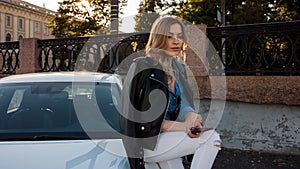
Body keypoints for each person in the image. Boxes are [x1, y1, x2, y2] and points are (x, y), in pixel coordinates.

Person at [120, 15, 221, 169]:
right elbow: (139, 118)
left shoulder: (178, 67)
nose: (176, 41)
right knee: (210, 138)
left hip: (169, 140)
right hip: (148, 143)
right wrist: (184, 127)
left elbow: (183, 105)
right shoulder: (142, 67)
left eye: (180, 36)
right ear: (159, 38)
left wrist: (191, 116)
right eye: (169, 36)